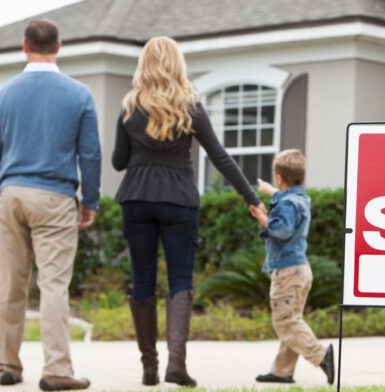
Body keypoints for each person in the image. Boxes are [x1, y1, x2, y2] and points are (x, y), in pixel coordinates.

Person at [112, 36, 263, 387]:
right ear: (177, 64)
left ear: (144, 65)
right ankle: (175, 365)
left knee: (142, 279)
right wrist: (251, 199)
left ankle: (149, 367)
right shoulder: (190, 106)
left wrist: (141, 150)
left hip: (136, 197)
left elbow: (119, 162)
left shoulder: (129, 107)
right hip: (179, 198)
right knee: (181, 279)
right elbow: (219, 156)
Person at [0, 19, 100, 391]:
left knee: (10, 284)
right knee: (54, 285)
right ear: (58, 47)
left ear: (24, 46)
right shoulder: (79, 94)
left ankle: (8, 366)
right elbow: (90, 154)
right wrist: (89, 200)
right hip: (56, 197)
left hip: (11, 194)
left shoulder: (4, 94)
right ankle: (57, 369)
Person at [248, 149, 335, 385]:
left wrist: (263, 218)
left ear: (279, 177)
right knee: (292, 318)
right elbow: (286, 202)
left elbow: (281, 230)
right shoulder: (300, 198)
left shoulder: (287, 204)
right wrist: (271, 191)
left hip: (287, 271)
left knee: (285, 321)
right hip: (299, 270)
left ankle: (321, 356)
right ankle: (282, 371)